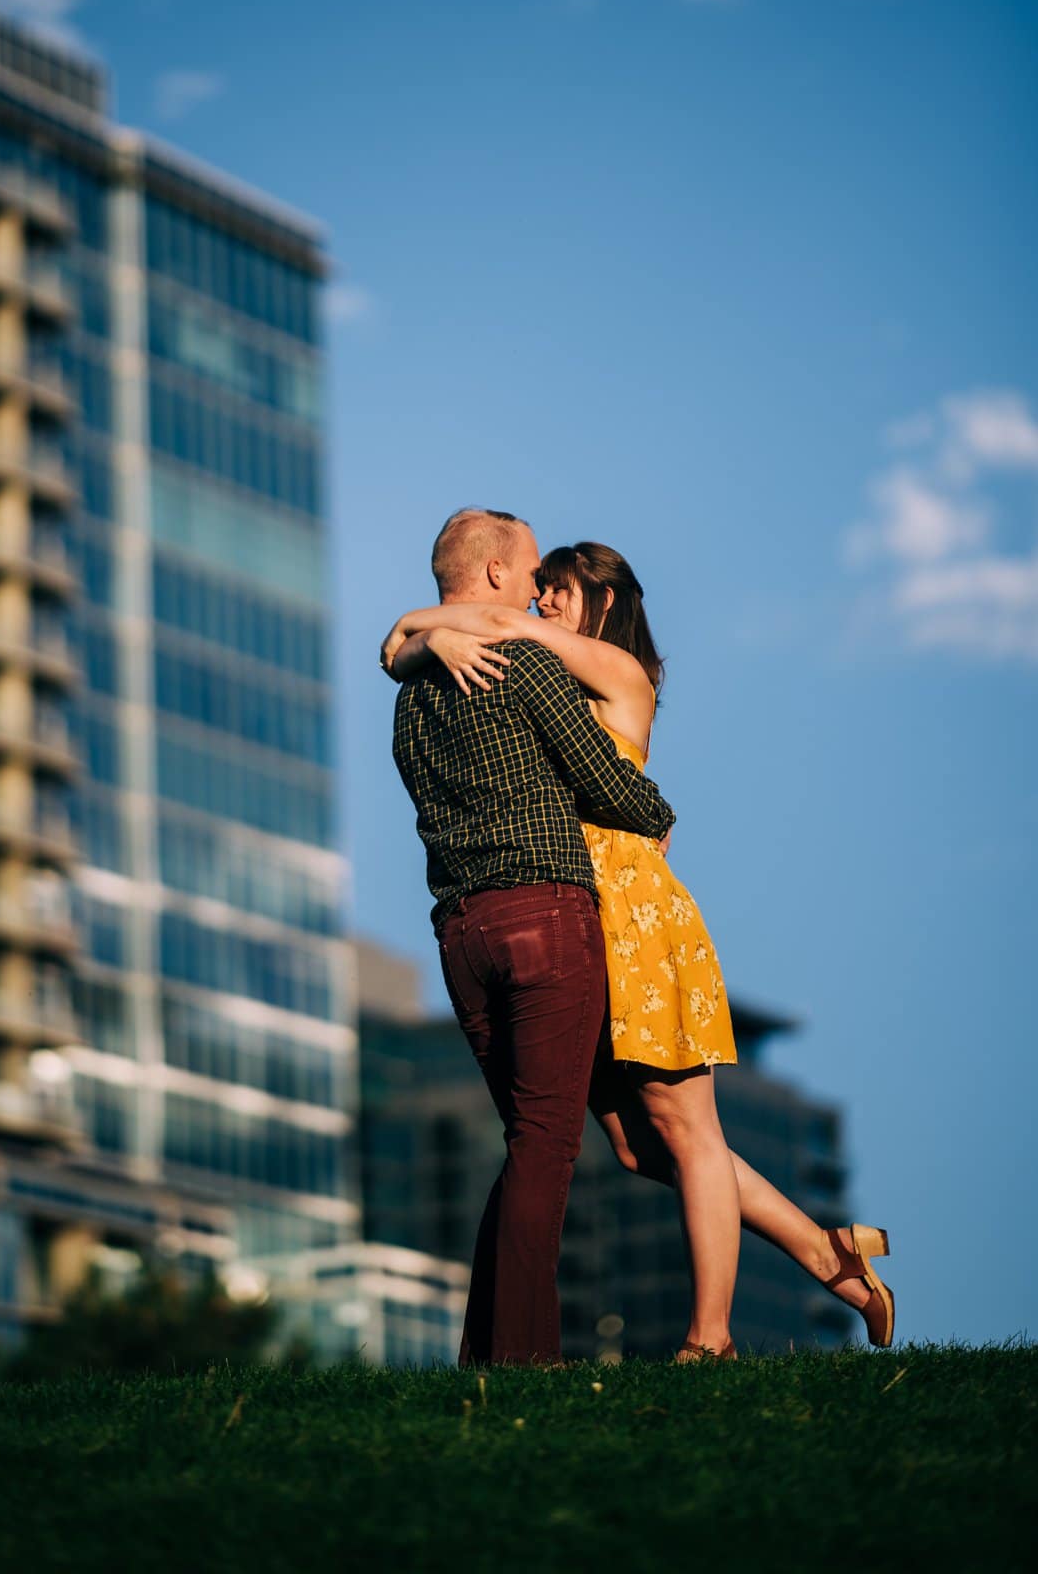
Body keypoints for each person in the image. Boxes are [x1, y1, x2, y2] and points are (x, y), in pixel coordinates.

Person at [383, 539, 895, 1358]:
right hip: (574, 912)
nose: (542, 604)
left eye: (557, 591)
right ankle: (822, 1250)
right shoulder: (542, 663)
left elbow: (493, 622)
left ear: (605, 603)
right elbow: (485, 622)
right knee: (632, 1144)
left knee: (688, 1132)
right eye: (537, 589)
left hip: (632, 916)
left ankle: (711, 1336)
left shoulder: (618, 673)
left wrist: (414, 634)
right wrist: (423, 642)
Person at [388, 508, 676, 1366]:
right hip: (545, 916)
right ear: (487, 578)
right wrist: (659, 817)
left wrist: (421, 640)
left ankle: (487, 1354)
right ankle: (522, 1361)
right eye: (523, 575)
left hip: (461, 935)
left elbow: (401, 650)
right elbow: (606, 780)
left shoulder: (409, 697)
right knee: (546, 1148)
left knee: (527, 1144)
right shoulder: (522, 667)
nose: (532, 594)